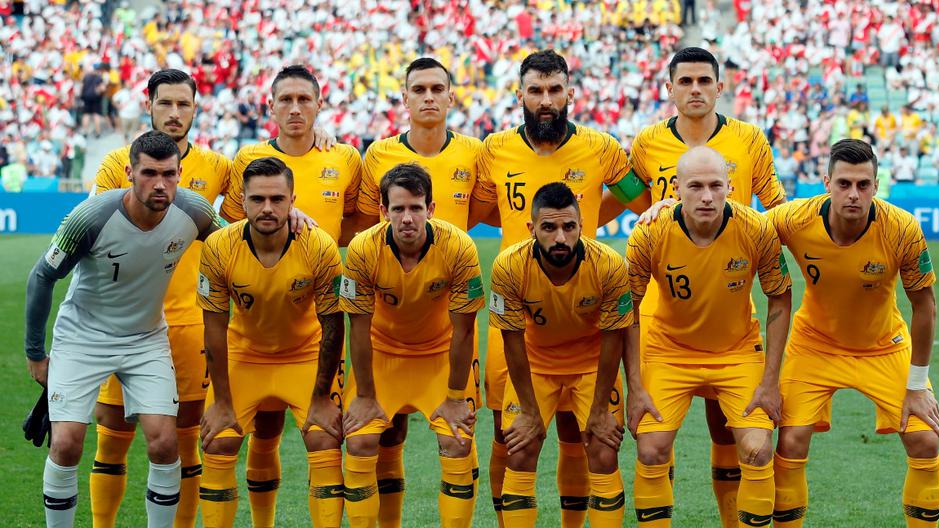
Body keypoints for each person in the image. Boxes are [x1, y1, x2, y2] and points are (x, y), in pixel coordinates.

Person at [467, 49, 649, 528]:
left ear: (570, 93)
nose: (545, 100)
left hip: (581, 308)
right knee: (509, 435)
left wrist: (589, 222)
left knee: (577, 432)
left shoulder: (600, 148)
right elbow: (476, 210)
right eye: (536, 91)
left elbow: (638, 197)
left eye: (554, 90)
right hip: (517, 307)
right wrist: (521, 227)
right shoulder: (494, 149)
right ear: (520, 95)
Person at [24, 130, 221, 528]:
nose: (160, 184)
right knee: (66, 443)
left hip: (146, 339)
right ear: (130, 173)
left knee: (165, 442)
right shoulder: (90, 217)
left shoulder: (195, 211)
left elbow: (238, 241)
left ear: (180, 174)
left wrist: (292, 219)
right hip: (82, 338)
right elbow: (42, 276)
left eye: (168, 174)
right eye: (149, 173)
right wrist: (35, 354)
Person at [629, 46, 787, 528]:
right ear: (670, 88)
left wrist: (760, 229)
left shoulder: (749, 139)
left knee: (726, 431)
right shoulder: (647, 141)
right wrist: (646, 210)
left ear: (720, 87)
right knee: (655, 440)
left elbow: (777, 207)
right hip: (663, 308)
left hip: (730, 300)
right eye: (686, 81)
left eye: (704, 81)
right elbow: (626, 193)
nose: (695, 89)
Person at [768, 139, 939, 527]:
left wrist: (917, 386)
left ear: (876, 186)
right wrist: (667, 209)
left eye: (863, 185)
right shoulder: (795, 218)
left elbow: (925, 306)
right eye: (844, 183)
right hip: (814, 344)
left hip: (883, 346)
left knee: (925, 440)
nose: (853, 194)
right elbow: (742, 226)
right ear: (826, 183)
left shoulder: (901, 228)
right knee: (790, 441)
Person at [89, 68, 234, 528]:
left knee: (186, 440)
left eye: (183, 104)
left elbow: (249, 219)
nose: (175, 113)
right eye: (165, 103)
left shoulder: (216, 167)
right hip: (124, 323)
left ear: (195, 108)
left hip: (189, 324)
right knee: (112, 437)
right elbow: (96, 233)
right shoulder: (117, 164)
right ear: (148, 104)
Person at [217, 64, 357, 527]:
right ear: (270, 106)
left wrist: (318, 245)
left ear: (320, 104)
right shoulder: (249, 159)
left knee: (324, 435)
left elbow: (360, 220)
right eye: (286, 100)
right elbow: (229, 227)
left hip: (313, 319)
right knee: (263, 429)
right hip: (255, 319)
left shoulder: (345, 157)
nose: (295, 109)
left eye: (304, 99)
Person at [348, 57, 484, 526]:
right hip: (386, 341)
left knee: (459, 439)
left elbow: (465, 329)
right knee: (371, 438)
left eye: (436, 89)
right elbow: (357, 324)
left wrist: (457, 394)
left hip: (441, 341)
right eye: (418, 89)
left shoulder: (475, 155)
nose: (407, 217)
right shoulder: (376, 158)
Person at [197, 157, 347, 528]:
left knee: (324, 438)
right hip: (245, 355)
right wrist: (222, 402)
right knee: (219, 440)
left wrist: (320, 398)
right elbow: (214, 327)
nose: (267, 208)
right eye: (258, 199)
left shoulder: (319, 246)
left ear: (292, 200)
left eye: (277, 199)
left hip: (305, 355)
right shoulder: (218, 247)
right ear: (242, 202)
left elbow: (333, 324)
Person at [489, 182, 633, 527]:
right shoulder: (509, 266)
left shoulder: (609, 265)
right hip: (536, 365)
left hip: (591, 366)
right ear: (531, 228)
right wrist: (528, 412)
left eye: (569, 227)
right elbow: (512, 342)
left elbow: (614, 339)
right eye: (549, 227)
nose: (560, 238)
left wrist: (600, 410)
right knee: (519, 450)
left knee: (603, 450)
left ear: (581, 226)